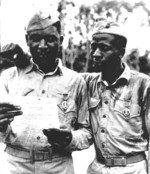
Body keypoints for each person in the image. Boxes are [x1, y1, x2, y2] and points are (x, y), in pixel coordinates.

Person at [0, 11, 92, 174]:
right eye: (35, 39)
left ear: (60, 41)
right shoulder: (9, 77)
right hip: (15, 166)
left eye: (50, 39)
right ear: (27, 41)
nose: (42, 46)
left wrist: (70, 139)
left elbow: (87, 132)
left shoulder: (75, 81)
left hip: (58, 165)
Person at [83, 18, 150, 174]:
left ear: (121, 52)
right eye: (93, 48)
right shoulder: (87, 82)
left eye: (103, 48)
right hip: (97, 168)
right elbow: (61, 78)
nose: (96, 54)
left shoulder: (142, 85)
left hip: (133, 169)